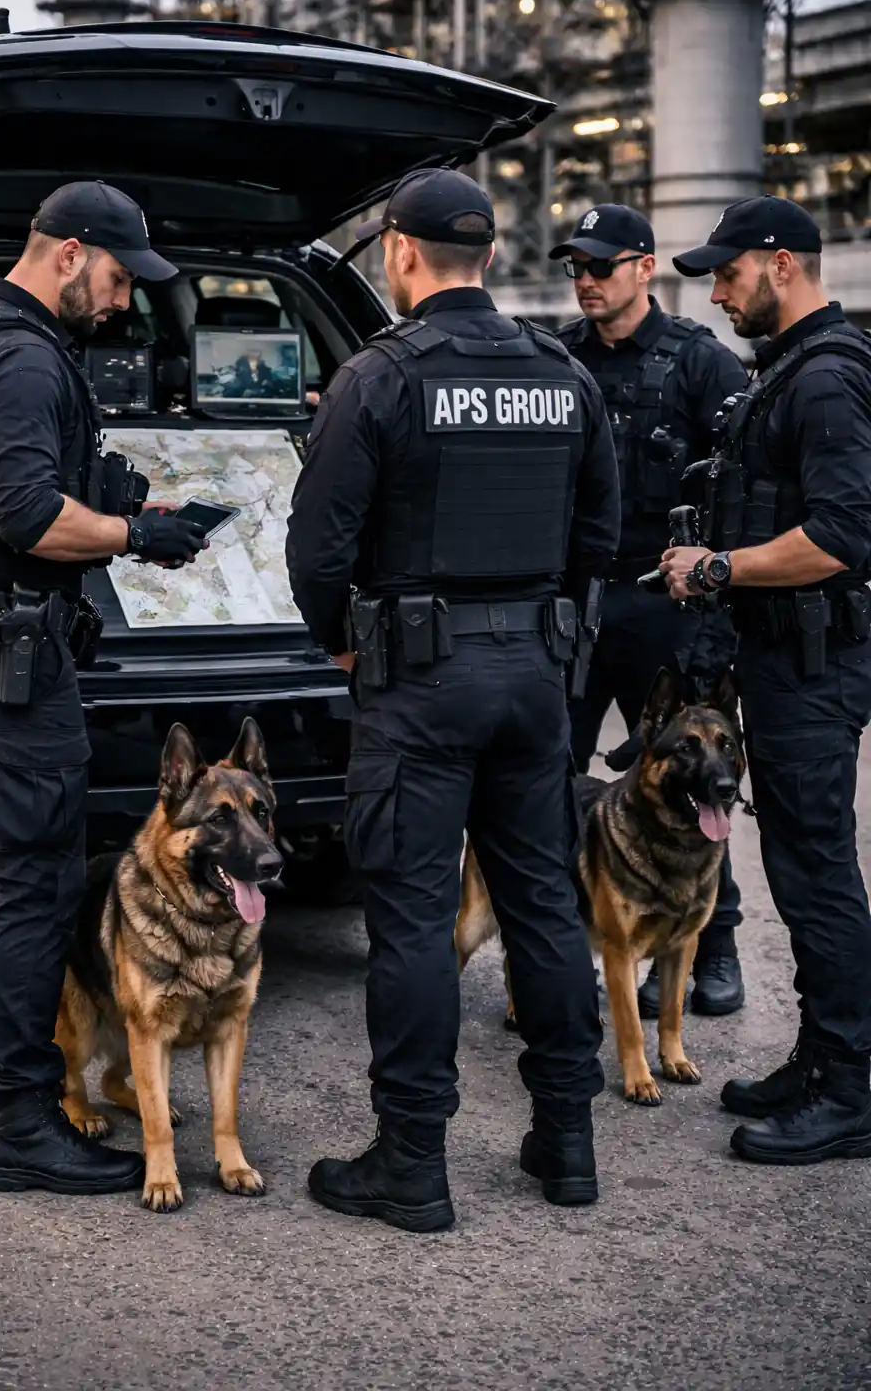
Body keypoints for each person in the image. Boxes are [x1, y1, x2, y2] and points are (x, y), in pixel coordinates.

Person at [286, 168, 621, 1230]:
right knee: (544, 906)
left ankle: (412, 1162)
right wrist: (549, 634)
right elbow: (601, 533)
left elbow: (317, 552)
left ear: (398, 252)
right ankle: (567, 1142)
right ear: (485, 255)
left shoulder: (379, 377)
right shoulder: (561, 373)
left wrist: (347, 644)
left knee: (414, 922)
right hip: (534, 678)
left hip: (420, 685)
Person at [0, 180, 210, 1196]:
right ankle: (22, 1124)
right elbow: (28, 515)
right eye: (116, 278)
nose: (120, 303)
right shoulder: (24, 357)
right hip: (1, 650)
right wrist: (138, 534)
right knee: (31, 883)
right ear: (69, 253)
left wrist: (111, 503)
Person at [661, 195, 871, 1166]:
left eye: (728, 272)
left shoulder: (825, 379)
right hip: (782, 660)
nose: (717, 293)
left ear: (781, 264)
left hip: (813, 667)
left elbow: (841, 536)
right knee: (796, 868)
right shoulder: (789, 369)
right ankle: (821, 1059)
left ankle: (851, 1089)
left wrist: (717, 568)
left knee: (818, 877)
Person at [549, 204, 751, 1019]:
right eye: (577, 267)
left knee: (696, 782)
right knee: (546, 779)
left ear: (643, 267)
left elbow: (746, 482)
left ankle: (715, 948)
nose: (586, 280)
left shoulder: (700, 362)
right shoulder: (555, 357)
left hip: (665, 605)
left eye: (601, 265)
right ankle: (560, 952)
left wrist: (718, 585)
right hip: (574, 598)